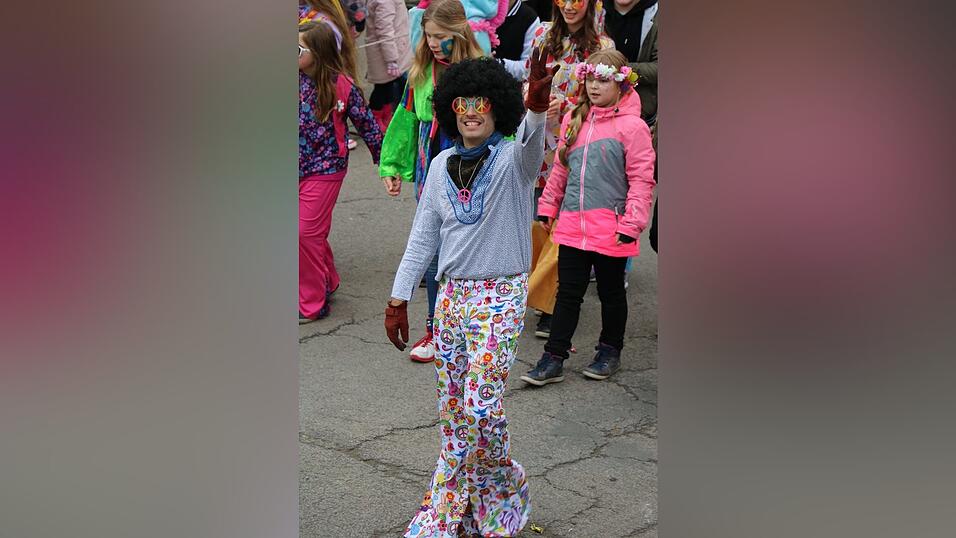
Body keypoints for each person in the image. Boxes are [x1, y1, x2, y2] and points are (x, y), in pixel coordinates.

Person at [384, 51, 555, 538]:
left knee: (481, 406)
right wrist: (399, 298)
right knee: (455, 411)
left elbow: (533, 146)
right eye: (462, 102)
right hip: (452, 298)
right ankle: (455, 507)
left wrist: (538, 109)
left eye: (482, 101)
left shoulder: (514, 161)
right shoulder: (439, 166)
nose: (472, 110)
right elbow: (423, 238)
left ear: (498, 106)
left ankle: (502, 484)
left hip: (500, 294)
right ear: (450, 108)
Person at [519, 50, 655, 385]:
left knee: (611, 293)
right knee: (567, 292)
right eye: (590, 78)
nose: (594, 86)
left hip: (613, 227)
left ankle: (610, 350)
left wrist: (632, 223)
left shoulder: (633, 128)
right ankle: (553, 357)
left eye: (603, 80)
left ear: (622, 84)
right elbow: (561, 170)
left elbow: (641, 179)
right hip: (572, 225)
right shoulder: (574, 119)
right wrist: (548, 207)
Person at [379, 0, 486, 362]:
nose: (435, 43)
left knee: (467, 252)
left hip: (472, 167)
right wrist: (392, 164)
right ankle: (435, 329)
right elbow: (407, 118)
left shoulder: (480, 69)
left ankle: (473, 326)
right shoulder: (421, 72)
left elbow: (501, 127)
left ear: (459, 32)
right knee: (431, 251)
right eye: (429, 36)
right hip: (432, 168)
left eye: (442, 36)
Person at [525, 0, 614, 339]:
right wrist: (534, 99)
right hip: (540, 145)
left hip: (577, 145)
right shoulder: (543, 35)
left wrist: (568, 107)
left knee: (563, 227)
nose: (569, 6)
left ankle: (553, 304)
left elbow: (606, 97)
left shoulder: (602, 48)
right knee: (540, 222)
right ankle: (537, 292)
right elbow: (529, 78)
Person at [298, 21, 383, 323]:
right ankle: (328, 279)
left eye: (298, 49)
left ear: (318, 53)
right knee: (307, 232)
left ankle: (312, 304)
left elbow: (368, 125)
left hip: (326, 168)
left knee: (305, 232)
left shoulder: (341, 84)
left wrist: (386, 165)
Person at [603, 0, 657, 125]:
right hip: (593, 107)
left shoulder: (656, 14)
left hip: (639, 113)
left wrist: (621, 69)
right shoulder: (595, 10)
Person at [365, 0, 413, 131]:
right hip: (387, 53)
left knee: (388, 86)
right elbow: (384, 28)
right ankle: (373, 120)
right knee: (382, 88)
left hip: (391, 49)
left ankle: (385, 117)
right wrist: (391, 59)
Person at [492, 0, 542, 80]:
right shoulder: (480, 10)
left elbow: (528, 68)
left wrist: (497, 63)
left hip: (509, 86)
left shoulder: (529, 18)